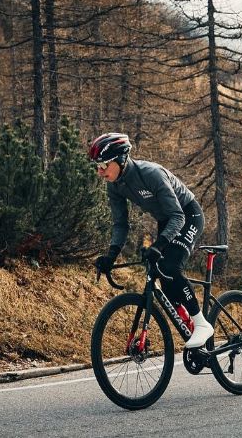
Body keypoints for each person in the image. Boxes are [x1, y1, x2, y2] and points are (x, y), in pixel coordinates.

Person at [89, 132, 214, 348]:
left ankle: (201, 324)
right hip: (167, 220)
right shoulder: (114, 185)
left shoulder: (151, 174)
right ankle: (189, 329)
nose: (99, 172)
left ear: (120, 160)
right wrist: (111, 255)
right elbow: (120, 224)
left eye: (103, 165)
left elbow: (178, 216)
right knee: (165, 281)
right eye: (97, 166)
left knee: (170, 266)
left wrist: (159, 245)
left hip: (187, 215)